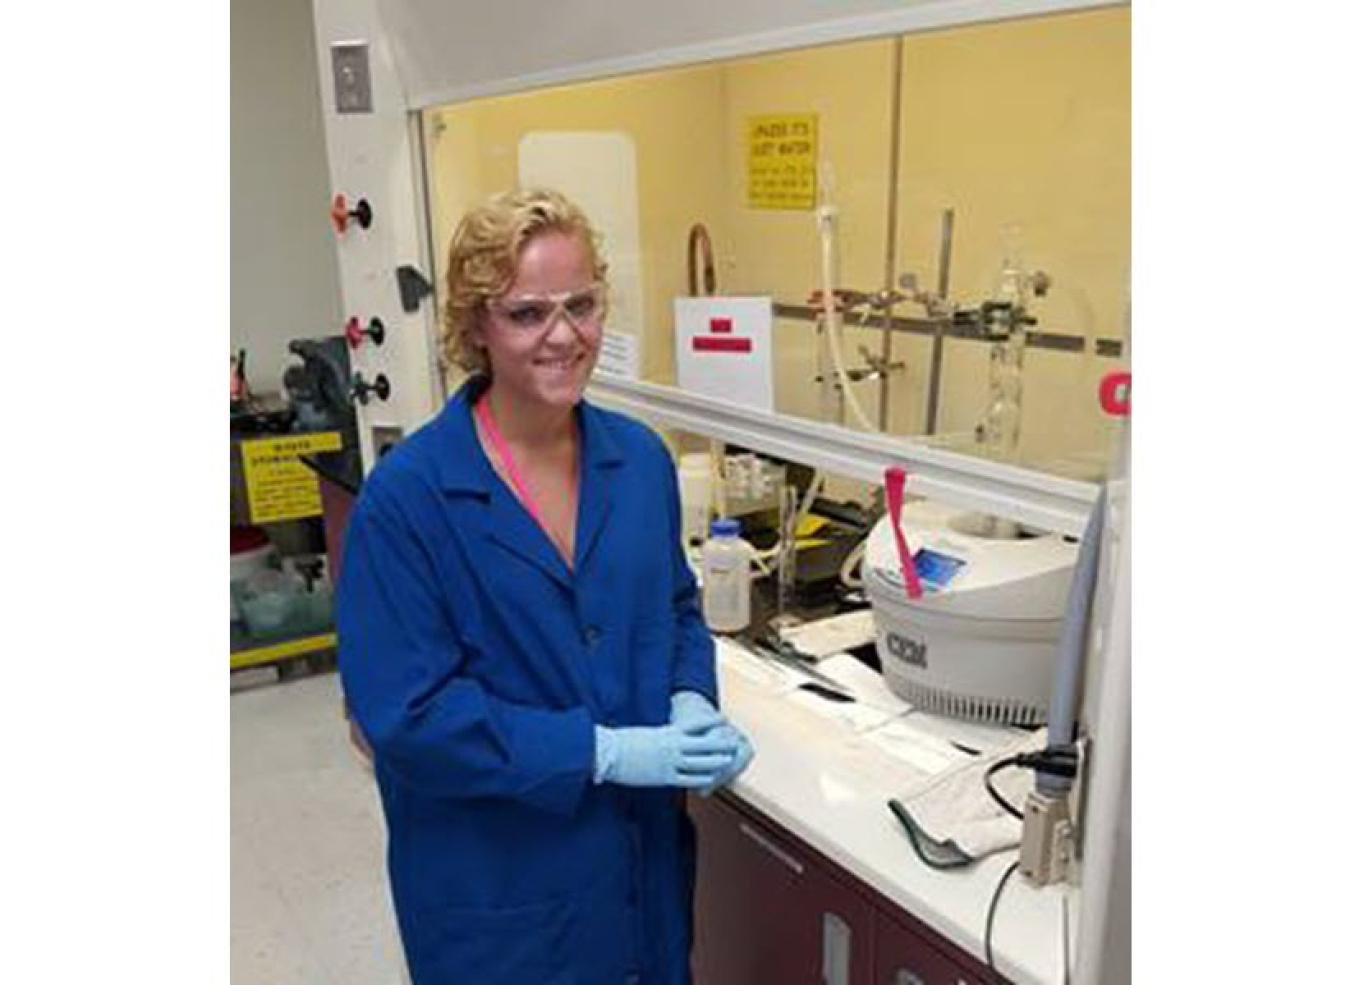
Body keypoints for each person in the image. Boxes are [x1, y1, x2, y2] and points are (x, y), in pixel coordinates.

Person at [337, 187, 754, 984]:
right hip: (502, 900)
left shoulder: (638, 462)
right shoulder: (411, 499)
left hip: (640, 882)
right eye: (528, 313)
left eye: (583, 304)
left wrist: (690, 698)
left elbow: (672, 608)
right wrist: (604, 750)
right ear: (476, 328)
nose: (565, 335)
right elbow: (408, 715)